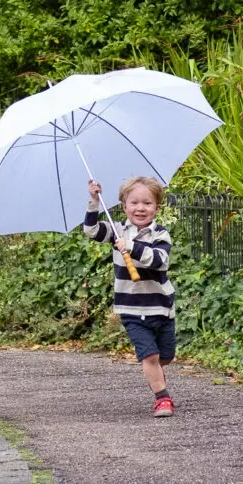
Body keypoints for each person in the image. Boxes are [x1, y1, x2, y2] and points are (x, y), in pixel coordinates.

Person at [84, 175, 176, 418]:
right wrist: (94, 201)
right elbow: (91, 230)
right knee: (150, 355)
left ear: (156, 207)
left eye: (147, 203)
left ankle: (155, 375)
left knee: (165, 357)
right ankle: (162, 399)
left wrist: (132, 247)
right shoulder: (117, 231)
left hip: (160, 306)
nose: (140, 208)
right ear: (124, 206)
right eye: (134, 203)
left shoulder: (160, 235)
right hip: (132, 308)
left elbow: (159, 261)